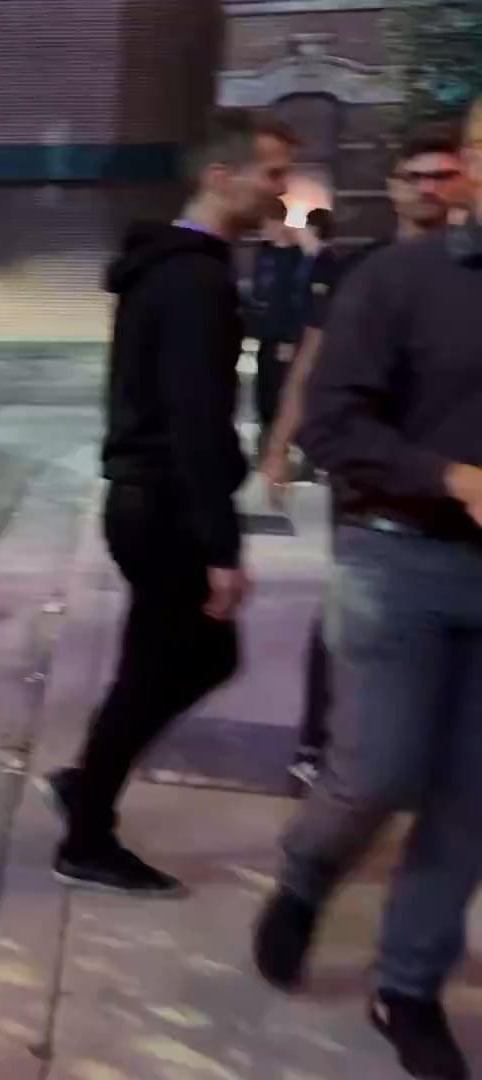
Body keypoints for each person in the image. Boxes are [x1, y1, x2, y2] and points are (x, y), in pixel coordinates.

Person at [253, 99, 482, 1080]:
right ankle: (308, 874)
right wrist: (451, 477)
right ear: (475, 166)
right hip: (398, 558)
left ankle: (408, 986)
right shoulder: (396, 279)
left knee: (472, 799)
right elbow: (331, 426)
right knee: (378, 772)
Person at [36, 108, 292, 896]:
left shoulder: (171, 269)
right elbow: (195, 421)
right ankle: (87, 833)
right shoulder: (195, 281)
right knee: (188, 660)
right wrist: (222, 547)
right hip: (166, 507)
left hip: (144, 500)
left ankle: (87, 787)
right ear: (221, 176)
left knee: (161, 664)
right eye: (271, 174)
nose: (280, 191)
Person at [260, 123, 471, 789]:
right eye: (416, 176)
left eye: (443, 175)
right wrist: (278, 448)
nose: (429, 189)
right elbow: (313, 367)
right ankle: (321, 746)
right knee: (353, 613)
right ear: (393, 186)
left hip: (463, 506)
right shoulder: (362, 269)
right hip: (376, 488)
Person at [246, 201, 308, 454]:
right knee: (264, 389)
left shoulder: (297, 257)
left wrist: (290, 337)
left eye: (266, 225)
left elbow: (298, 299)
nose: (263, 231)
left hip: (285, 335)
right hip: (266, 333)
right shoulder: (265, 253)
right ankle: (267, 439)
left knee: (283, 388)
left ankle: (285, 443)